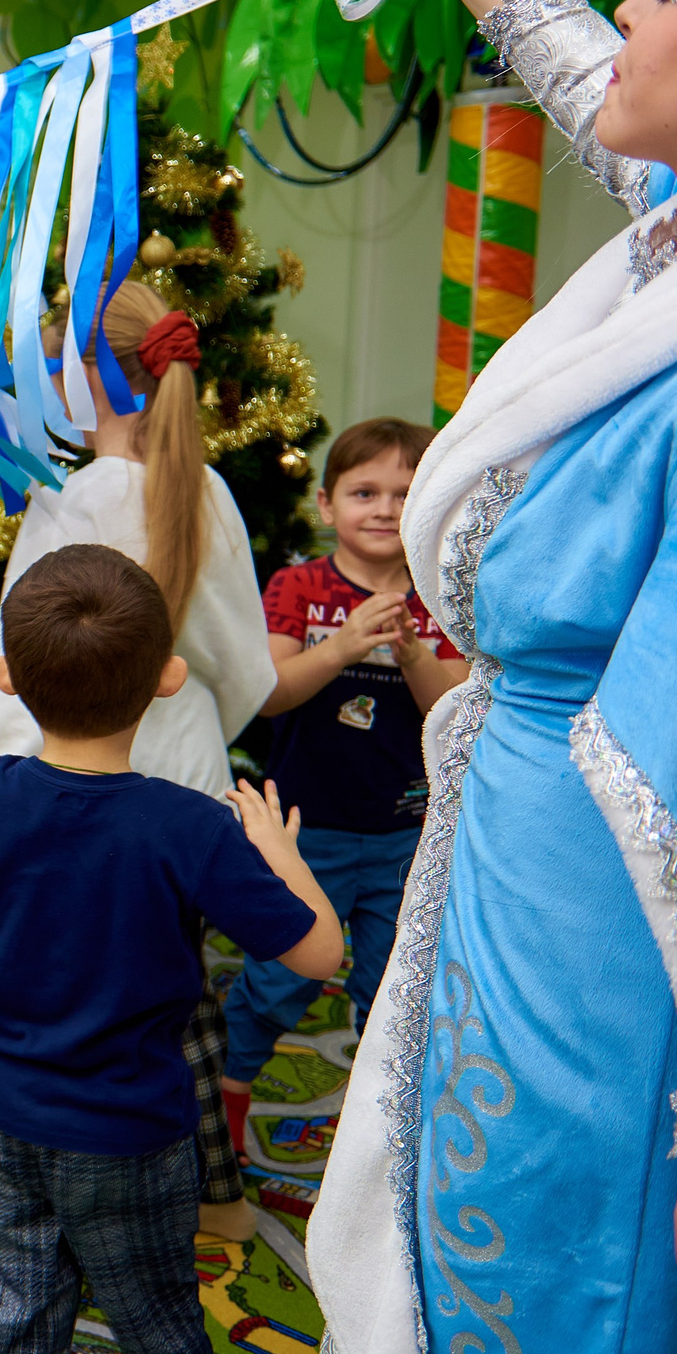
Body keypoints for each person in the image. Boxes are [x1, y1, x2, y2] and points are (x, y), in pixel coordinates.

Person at [295, 0, 677, 1354]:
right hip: (522, 866)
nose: (627, 10)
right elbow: (579, 71)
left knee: (576, 1308)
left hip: (621, 934)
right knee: (473, 1236)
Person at [0, 545, 340, 1354]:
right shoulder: (193, 824)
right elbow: (320, 952)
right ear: (170, 679)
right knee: (161, 1321)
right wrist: (283, 857)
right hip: (127, 1128)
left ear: (4, 679)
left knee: (9, 1327)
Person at [0, 278, 277, 1240]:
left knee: (64, 978)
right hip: (180, 779)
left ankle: (69, 1188)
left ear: (84, 379)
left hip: (70, 783)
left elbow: (23, 658)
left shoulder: (70, 494)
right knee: (174, 985)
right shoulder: (209, 489)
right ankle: (214, 1194)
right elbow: (244, 666)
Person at [217, 419, 467, 1158]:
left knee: (391, 987)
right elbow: (272, 693)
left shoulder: (440, 596)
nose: (385, 508)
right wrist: (347, 644)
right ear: (327, 505)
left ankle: (375, 1141)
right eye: (365, 491)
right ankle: (227, 1100)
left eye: (404, 492)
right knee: (277, 978)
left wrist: (411, 649)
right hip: (304, 827)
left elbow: (447, 711)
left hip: (402, 829)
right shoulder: (299, 586)